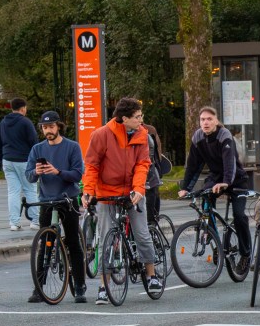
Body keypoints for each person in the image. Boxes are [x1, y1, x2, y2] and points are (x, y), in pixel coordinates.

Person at [82, 97, 160, 304]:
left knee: (142, 234)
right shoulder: (101, 135)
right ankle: (103, 287)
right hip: (107, 192)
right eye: (137, 117)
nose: (141, 120)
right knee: (106, 240)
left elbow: (143, 164)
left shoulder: (142, 134)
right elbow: (91, 165)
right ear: (124, 118)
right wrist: (88, 191)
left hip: (132, 191)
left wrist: (138, 189)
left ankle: (151, 275)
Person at [178, 106, 253, 275]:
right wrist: (185, 188)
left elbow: (230, 164)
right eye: (202, 119)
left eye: (209, 119)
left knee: (239, 216)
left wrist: (226, 182)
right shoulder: (198, 137)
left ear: (216, 121)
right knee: (205, 201)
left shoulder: (224, 136)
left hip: (236, 178)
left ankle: (246, 254)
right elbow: (193, 166)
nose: (205, 122)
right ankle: (216, 242)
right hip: (216, 178)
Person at [25, 111, 86, 303]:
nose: (48, 130)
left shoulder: (72, 147)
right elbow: (28, 176)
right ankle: (39, 288)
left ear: (59, 126)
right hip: (46, 200)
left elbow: (77, 174)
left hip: (67, 200)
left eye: (51, 126)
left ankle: (79, 286)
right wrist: (36, 171)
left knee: (73, 243)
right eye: (44, 127)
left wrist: (58, 172)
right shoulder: (37, 149)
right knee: (45, 243)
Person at [0, 97, 39, 230]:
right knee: (30, 189)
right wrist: (37, 160)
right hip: (24, 160)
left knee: (13, 192)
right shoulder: (26, 122)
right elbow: (34, 142)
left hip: (7, 160)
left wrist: (0, 159)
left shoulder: (3, 122)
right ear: (23, 108)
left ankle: (14, 223)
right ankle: (35, 221)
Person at [141, 120, 166, 223]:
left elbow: (157, 151)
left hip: (150, 167)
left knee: (152, 192)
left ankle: (152, 223)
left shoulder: (150, 130)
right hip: (149, 167)